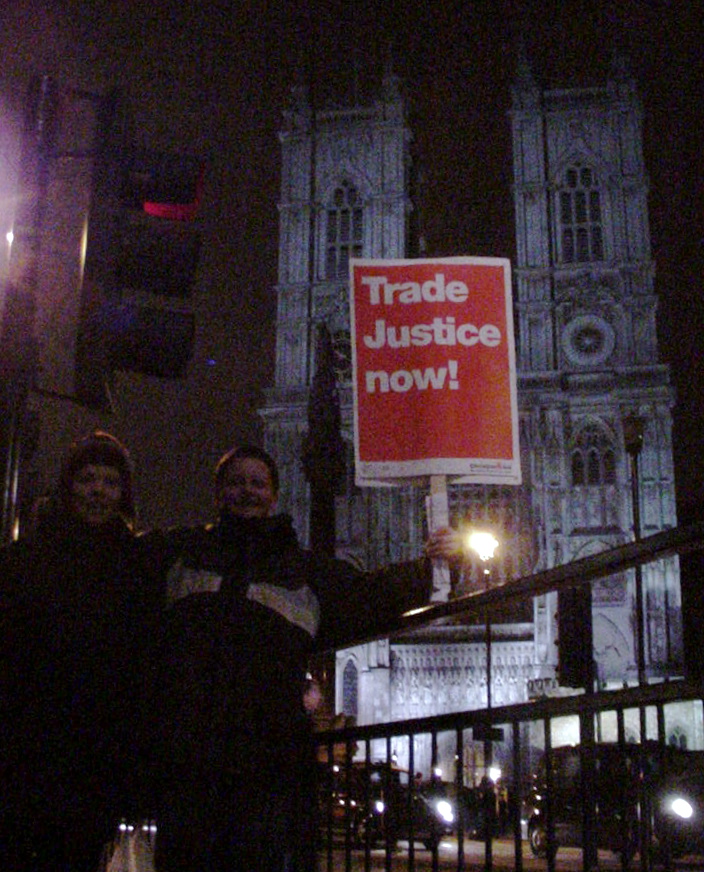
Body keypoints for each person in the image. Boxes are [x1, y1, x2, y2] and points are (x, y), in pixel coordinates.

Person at [148, 444, 461, 872]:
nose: (247, 491)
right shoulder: (182, 553)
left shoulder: (300, 569)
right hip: (191, 759)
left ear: (274, 496)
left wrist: (437, 567)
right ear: (219, 492)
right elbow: (120, 565)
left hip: (267, 761)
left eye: (257, 483)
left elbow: (369, 594)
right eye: (236, 482)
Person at [0, 431, 161, 872]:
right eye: (89, 479)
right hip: (26, 743)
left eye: (110, 482)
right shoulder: (26, 559)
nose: (98, 492)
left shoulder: (135, 564)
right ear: (69, 485)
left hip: (95, 752)